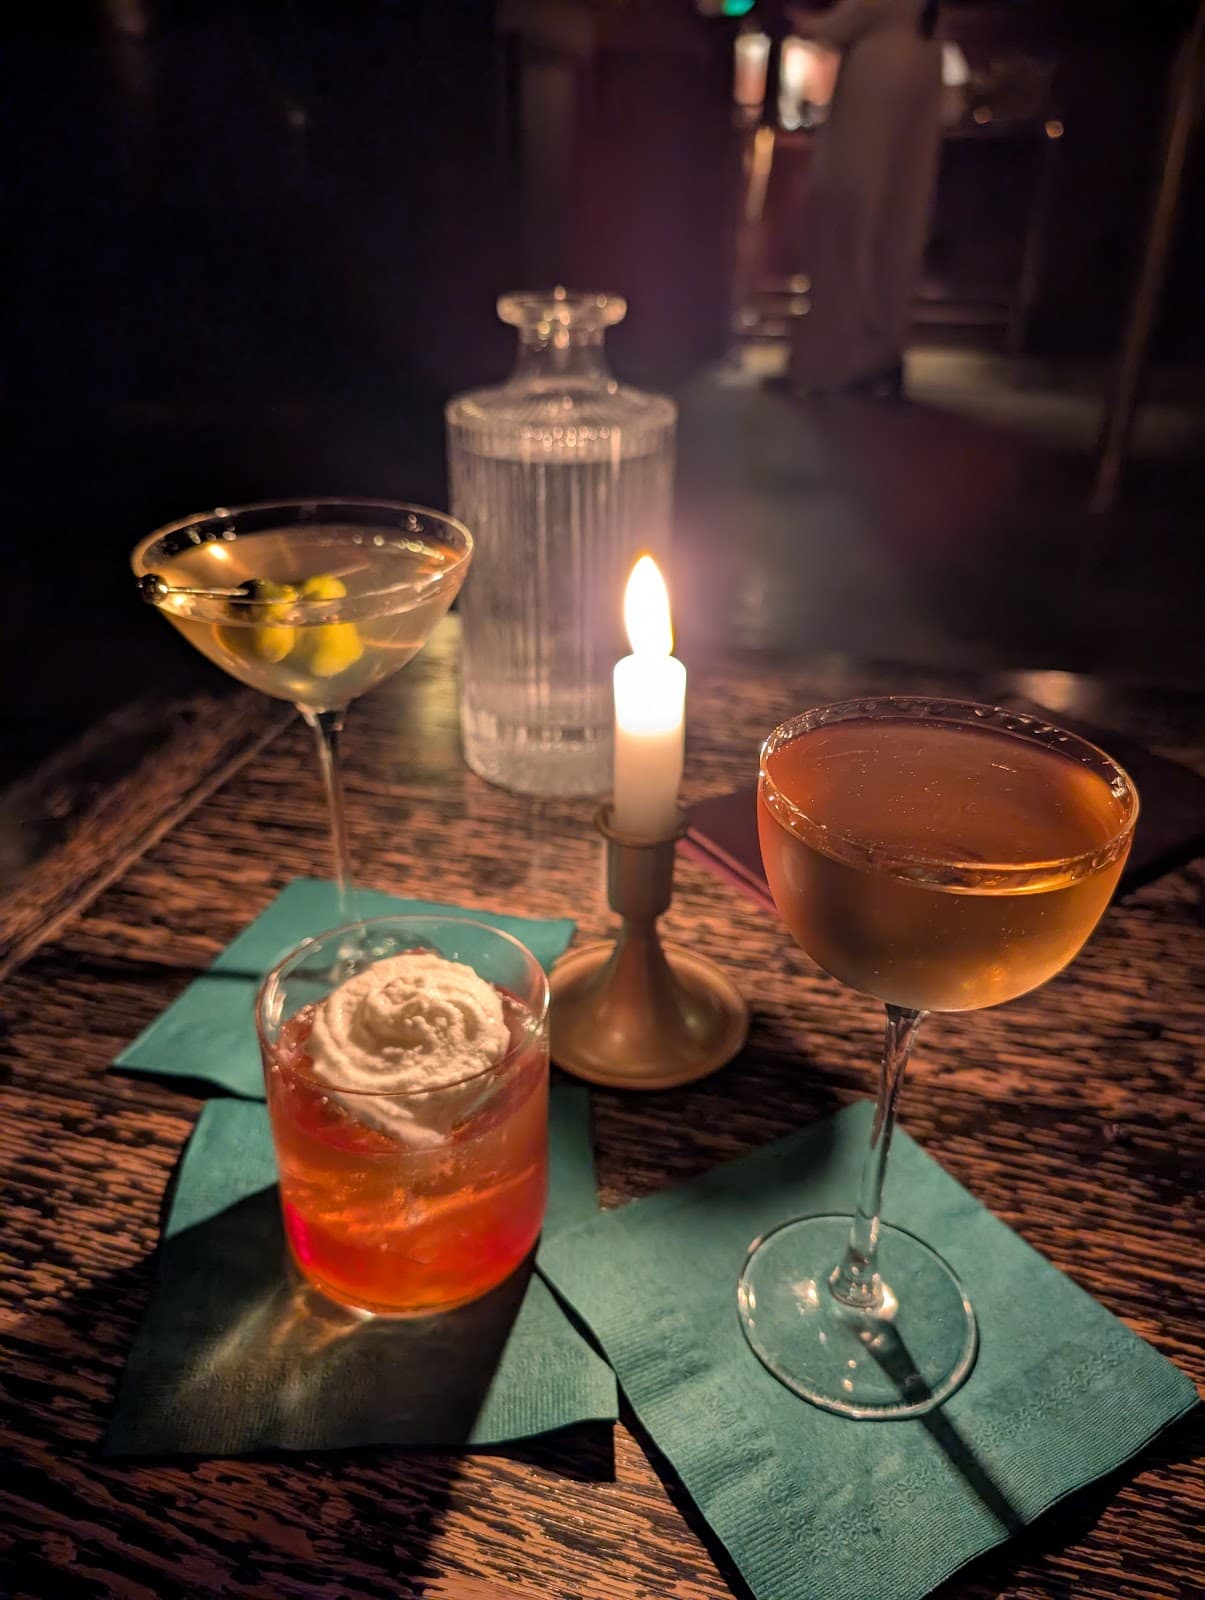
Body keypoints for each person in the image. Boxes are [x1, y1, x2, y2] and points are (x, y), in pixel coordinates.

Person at [784, 0, 943, 397]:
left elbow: (861, 13)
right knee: (896, 216)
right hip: (920, 55)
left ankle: (833, 361)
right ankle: (878, 354)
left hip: (880, 63)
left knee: (851, 208)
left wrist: (808, 24)